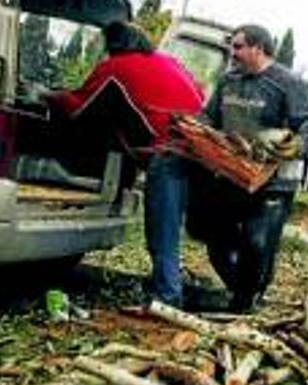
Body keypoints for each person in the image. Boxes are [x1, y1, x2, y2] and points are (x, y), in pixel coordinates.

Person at [47, 21, 205, 307]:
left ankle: (167, 297)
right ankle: (224, 291)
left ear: (114, 44)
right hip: (202, 150)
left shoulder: (115, 67)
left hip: (168, 153)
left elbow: (79, 105)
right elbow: (200, 96)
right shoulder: (170, 62)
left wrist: (48, 95)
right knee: (184, 228)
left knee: (162, 232)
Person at [187, 24, 308, 313]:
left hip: (274, 181)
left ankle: (243, 303)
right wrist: (194, 127)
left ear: (258, 48)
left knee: (257, 240)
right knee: (208, 229)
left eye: (238, 47)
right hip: (232, 173)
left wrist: (297, 145)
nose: (232, 53)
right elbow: (210, 117)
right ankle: (244, 290)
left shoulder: (289, 83)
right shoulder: (228, 81)